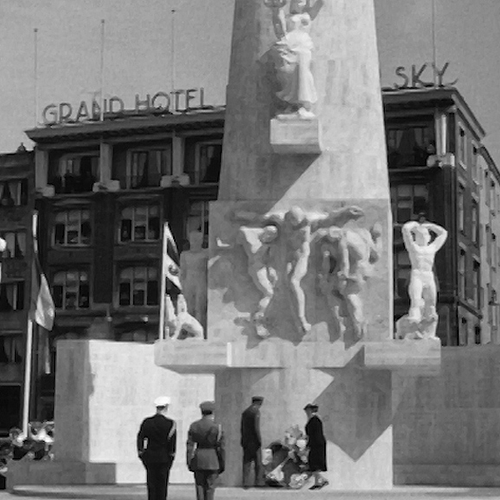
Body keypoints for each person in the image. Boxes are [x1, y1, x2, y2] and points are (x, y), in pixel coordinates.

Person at [401, 221, 448, 324]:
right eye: (419, 235)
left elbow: (443, 233)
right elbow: (405, 229)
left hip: (428, 276)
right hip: (417, 274)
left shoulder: (432, 248)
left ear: (429, 237)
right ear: (416, 237)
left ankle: (429, 322)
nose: (422, 236)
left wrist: (430, 226)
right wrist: (414, 225)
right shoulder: (413, 247)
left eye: (425, 234)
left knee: (431, 303)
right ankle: (414, 319)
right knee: (416, 300)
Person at [137, 396, 177, 500]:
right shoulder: (170, 423)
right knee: (162, 485)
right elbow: (172, 444)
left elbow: (140, 438)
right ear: (166, 407)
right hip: (164, 457)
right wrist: (171, 456)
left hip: (150, 456)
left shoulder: (147, 422)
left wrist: (141, 452)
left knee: (151, 484)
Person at [187, 401, 225, 500]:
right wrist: (222, 463)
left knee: (199, 487)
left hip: (199, 458)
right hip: (213, 459)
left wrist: (189, 461)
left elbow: (190, 446)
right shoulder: (217, 427)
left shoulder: (194, 426)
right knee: (210, 489)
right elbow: (222, 448)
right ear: (212, 412)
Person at [240, 396, 265, 488]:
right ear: (259, 402)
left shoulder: (245, 412)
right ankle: (259, 482)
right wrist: (259, 440)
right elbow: (256, 427)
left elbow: (242, 428)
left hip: (246, 441)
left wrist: (243, 440)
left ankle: (245, 482)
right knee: (258, 463)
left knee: (247, 462)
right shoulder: (256, 412)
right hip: (254, 441)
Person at [304, 403, 328, 490]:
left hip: (316, 444)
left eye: (307, 410)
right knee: (313, 464)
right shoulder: (313, 419)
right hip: (316, 443)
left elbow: (315, 435)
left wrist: (309, 444)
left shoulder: (314, 420)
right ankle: (319, 481)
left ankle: (320, 481)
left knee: (314, 463)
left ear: (310, 410)